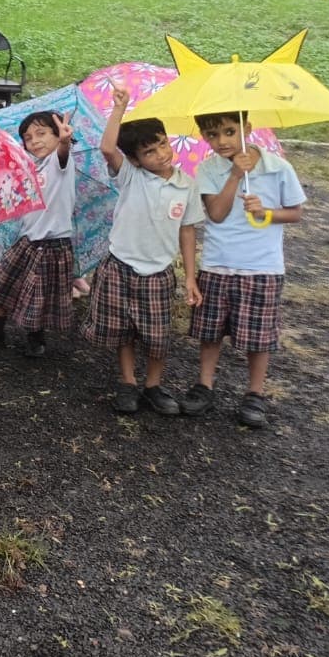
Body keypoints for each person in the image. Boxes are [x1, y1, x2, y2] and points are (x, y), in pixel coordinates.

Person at [83, 84, 205, 416]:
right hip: (119, 266)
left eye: (163, 143)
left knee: (157, 336)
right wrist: (119, 109)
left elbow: (189, 231)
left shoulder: (187, 186)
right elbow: (108, 147)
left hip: (158, 273)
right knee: (123, 331)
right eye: (150, 151)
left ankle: (153, 386)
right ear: (136, 159)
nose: (161, 153)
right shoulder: (131, 176)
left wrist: (191, 277)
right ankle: (127, 382)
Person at [181, 112, 306, 428]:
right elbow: (217, 214)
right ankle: (205, 384)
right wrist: (234, 176)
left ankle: (255, 392)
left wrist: (266, 211)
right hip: (218, 263)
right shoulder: (209, 169)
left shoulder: (278, 168)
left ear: (247, 129)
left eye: (229, 131)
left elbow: (295, 213)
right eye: (212, 134)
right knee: (211, 332)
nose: (221, 141)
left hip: (261, 265)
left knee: (258, 336)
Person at [0, 109, 78, 359]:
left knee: (36, 293)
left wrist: (64, 141)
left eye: (41, 133)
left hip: (51, 243)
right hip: (27, 239)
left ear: (57, 135)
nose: (34, 141)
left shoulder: (61, 163)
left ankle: (35, 337)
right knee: (7, 284)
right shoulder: (33, 166)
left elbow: (63, 154)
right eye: (28, 137)